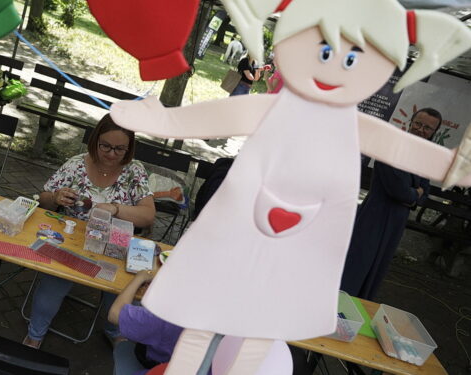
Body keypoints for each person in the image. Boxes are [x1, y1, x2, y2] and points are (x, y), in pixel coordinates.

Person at [109, 0, 471, 372]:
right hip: (239, 227)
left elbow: (405, 149)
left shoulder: (356, 127)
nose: (332, 68)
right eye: (324, 50)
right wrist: (160, 120)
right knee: (204, 315)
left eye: (352, 59)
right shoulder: (274, 108)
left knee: (262, 327)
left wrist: (455, 166)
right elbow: (216, 116)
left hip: (302, 242)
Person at [23, 114, 156, 349]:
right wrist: (56, 197)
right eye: (105, 146)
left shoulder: (134, 171)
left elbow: (148, 215)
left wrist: (115, 208)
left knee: (120, 290)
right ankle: (35, 333)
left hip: (116, 245)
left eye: (120, 149)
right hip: (73, 240)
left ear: (129, 148)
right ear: (95, 140)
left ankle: (114, 329)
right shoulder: (76, 164)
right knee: (52, 285)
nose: (112, 154)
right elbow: (43, 200)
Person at [341, 108, 440, 299]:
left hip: (397, 222)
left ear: (434, 132)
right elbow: (399, 190)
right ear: (410, 122)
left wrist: (414, 193)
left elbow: (425, 192)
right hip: (375, 215)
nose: (421, 129)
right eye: (418, 123)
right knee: (358, 264)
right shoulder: (391, 147)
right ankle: (337, 307)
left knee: (377, 268)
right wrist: (414, 193)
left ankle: (359, 307)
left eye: (428, 128)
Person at [108, 270, 183, 375]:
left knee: (125, 343)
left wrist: (140, 278)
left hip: (155, 363)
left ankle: (119, 337)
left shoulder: (166, 317)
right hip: (183, 363)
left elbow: (114, 314)